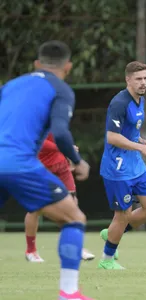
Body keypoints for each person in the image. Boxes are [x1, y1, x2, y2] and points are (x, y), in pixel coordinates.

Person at [0, 40, 92, 300]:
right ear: (68, 67)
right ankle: (69, 292)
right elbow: (61, 132)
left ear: (36, 64)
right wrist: (78, 159)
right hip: (19, 162)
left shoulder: (11, 86)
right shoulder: (61, 89)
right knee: (74, 218)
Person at [97, 61, 146, 270]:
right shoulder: (119, 103)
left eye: (145, 78)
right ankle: (107, 260)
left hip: (135, 165)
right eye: (138, 79)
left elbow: (130, 131)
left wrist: (144, 141)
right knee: (122, 215)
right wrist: (140, 148)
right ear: (128, 80)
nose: (143, 83)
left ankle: (114, 231)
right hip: (118, 168)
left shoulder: (139, 99)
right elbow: (113, 137)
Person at [24, 133, 95, 262]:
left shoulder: (58, 115)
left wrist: (70, 155)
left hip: (61, 166)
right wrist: (63, 147)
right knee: (35, 209)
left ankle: (77, 247)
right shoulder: (35, 115)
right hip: (40, 167)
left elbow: (61, 135)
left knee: (73, 206)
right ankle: (31, 250)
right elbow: (37, 140)